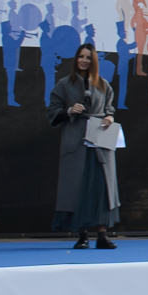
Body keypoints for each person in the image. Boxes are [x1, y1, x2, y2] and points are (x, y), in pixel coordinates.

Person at [51, 41, 122, 249]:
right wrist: (69, 111)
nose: (84, 61)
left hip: (100, 141)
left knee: (102, 187)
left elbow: (109, 109)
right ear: (76, 59)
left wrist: (109, 117)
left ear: (94, 61)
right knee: (78, 187)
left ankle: (102, 235)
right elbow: (53, 111)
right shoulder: (64, 84)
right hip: (76, 142)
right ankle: (82, 235)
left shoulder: (103, 84)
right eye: (81, 57)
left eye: (88, 58)